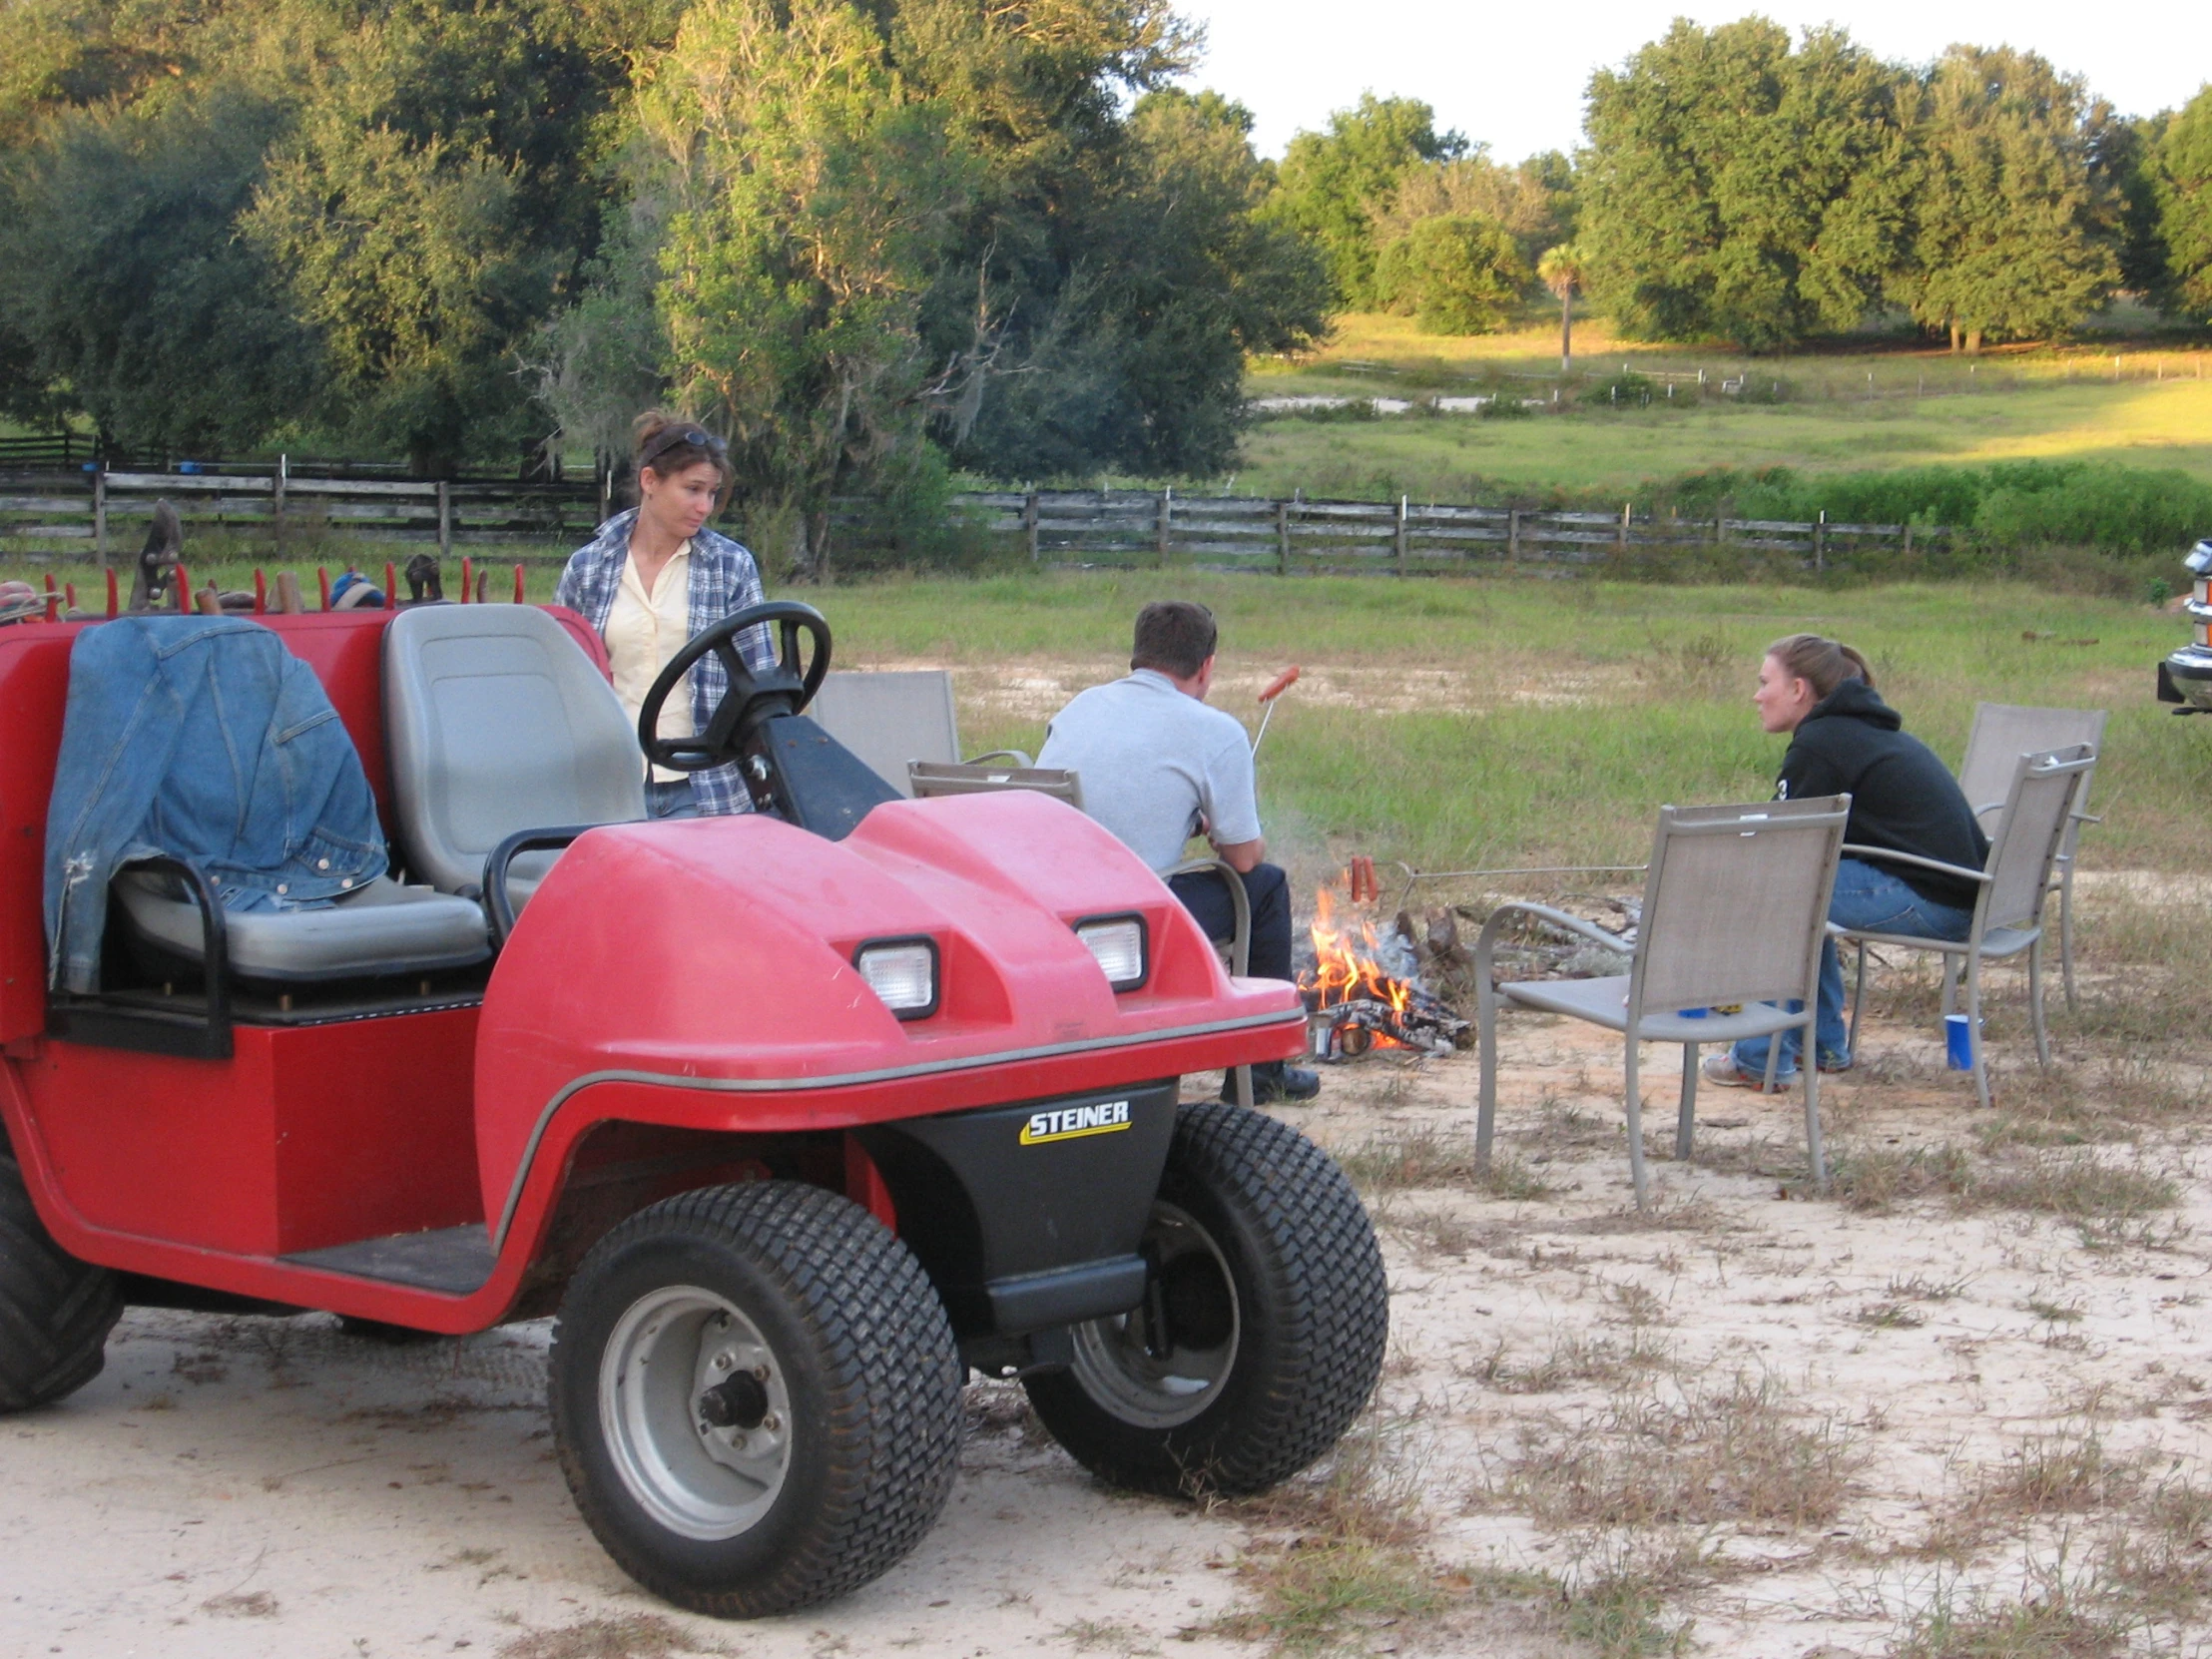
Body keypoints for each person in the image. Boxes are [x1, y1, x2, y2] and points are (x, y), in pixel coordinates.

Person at [1038, 601, 1320, 1104]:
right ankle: (1261, 1068)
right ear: (1207, 665)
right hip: (1133, 921)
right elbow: (1244, 859)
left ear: (1137, 656)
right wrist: (1222, 833)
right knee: (1267, 886)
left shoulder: (1078, 707)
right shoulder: (1214, 729)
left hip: (1050, 910)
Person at [1705, 633, 1989, 1089]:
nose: (1756, 695)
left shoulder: (1821, 742)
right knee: (1799, 889)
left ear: (1798, 690)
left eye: (1764, 682)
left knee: (1773, 891)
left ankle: (1758, 1058)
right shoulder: (1856, 731)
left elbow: (1786, 850)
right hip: (1959, 893)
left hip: (1937, 904)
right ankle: (1821, 1047)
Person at [554, 413, 776, 818]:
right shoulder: (588, 568)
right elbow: (562, 682)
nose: (704, 506)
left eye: (712, 493)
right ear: (650, 481)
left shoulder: (731, 567)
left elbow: (761, 683)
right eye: (693, 490)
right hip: (609, 785)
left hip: (704, 789)